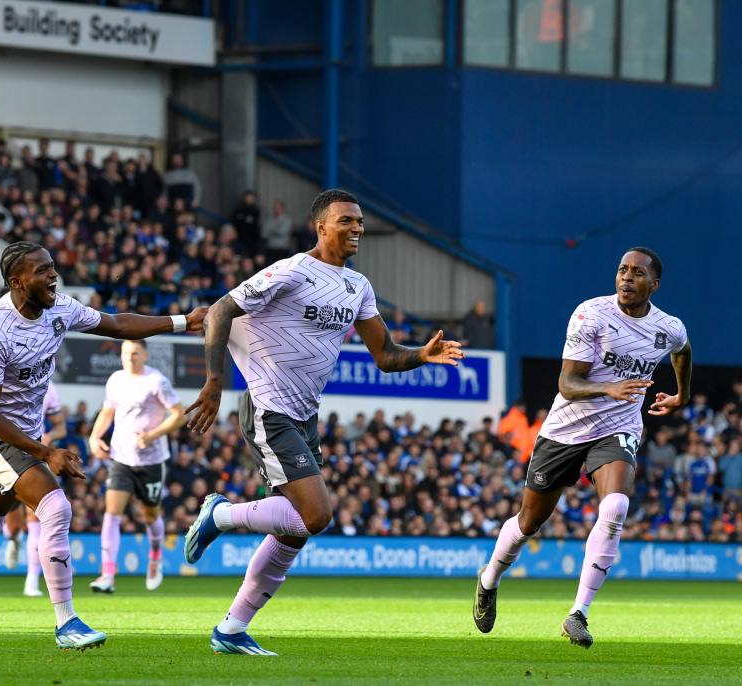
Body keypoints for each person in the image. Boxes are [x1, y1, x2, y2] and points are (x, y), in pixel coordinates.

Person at [183, 189, 463, 655]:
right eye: (346, 220)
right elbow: (221, 310)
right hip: (268, 407)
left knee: (294, 532)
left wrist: (423, 355)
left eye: (359, 221)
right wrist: (214, 382)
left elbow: (387, 356)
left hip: (305, 416)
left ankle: (231, 630)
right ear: (321, 226)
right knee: (317, 516)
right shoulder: (292, 270)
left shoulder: (359, 287)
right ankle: (220, 515)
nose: (357, 228)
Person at [0, 241, 205, 650]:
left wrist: (185, 321)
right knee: (55, 507)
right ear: (16, 281)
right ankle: (67, 622)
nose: (52, 276)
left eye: (52, 267)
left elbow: (116, 324)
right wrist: (45, 452)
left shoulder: (59, 307)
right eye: (42, 270)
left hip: (24, 430)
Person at [473, 247, 692, 648]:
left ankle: (578, 614)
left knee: (616, 507)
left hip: (619, 429)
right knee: (528, 524)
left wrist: (681, 394)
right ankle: (489, 580)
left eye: (637, 273)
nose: (626, 277)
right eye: (622, 269)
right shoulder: (591, 314)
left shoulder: (668, 327)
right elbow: (567, 384)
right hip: (565, 431)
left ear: (653, 284)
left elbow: (683, 350)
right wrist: (607, 386)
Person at [86, 339, 186, 594]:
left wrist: (152, 435)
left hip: (151, 460)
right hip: (121, 457)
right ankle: (107, 574)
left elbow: (179, 414)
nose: (130, 357)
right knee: (112, 512)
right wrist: (95, 436)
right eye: (126, 353)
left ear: (145, 355)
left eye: (135, 353)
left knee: (150, 515)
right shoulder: (116, 380)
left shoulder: (156, 381)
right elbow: (108, 412)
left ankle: (155, 555)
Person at [0, 380, 67, 597]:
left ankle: (32, 580)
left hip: (34, 453)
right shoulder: (5, 379)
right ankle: (13, 538)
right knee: (10, 525)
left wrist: (50, 437)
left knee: (42, 516)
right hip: (4, 454)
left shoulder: (49, 387)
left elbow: (61, 426)